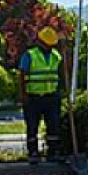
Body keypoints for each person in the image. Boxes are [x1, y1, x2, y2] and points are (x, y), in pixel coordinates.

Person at [18, 26, 64, 164]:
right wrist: (23, 94)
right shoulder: (30, 55)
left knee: (53, 126)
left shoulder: (56, 55)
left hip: (51, 96)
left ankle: (52, 152)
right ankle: (33, 153)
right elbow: (21, 75)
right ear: (39, 42)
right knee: (32, 126)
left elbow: (63, 71)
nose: (48, 47)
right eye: (46, 44)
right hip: (33, 97)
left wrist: (66, 54)